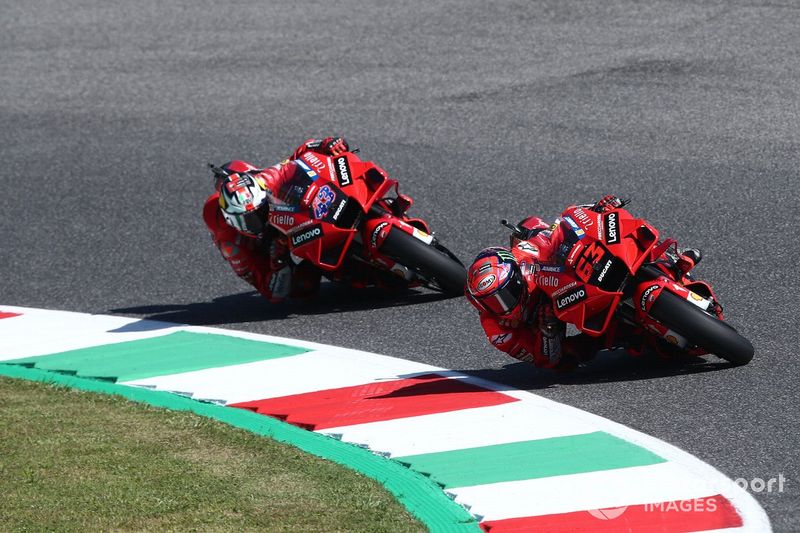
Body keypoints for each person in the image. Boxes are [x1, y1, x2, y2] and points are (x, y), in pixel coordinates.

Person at [465, 195, 704, 370]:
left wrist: (596, 210)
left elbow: (559, 227)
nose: (503, 306)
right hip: (556, 323)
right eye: (493, 303)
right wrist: (548, 331)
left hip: (573, 281)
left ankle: (670, 263)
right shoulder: (498, 332)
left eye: (504, 295)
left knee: (617, 239)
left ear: (515, 276)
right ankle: (624, 332)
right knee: (570, 358)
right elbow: (545, 360)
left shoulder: (524, 257)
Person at [202, 137, 349, 303]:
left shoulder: (262, 180)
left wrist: (326, 144)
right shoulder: (231, 243)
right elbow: (272, 293)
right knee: (303, 285)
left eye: (260, 211)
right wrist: (278, 261)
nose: (257, 220)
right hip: (274, 251)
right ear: (230, 219)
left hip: (289, 217)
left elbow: (295, 160)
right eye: (248, 219)